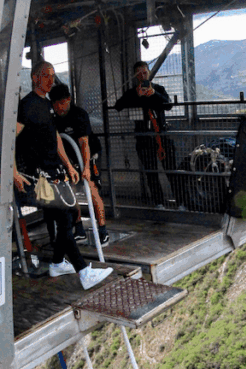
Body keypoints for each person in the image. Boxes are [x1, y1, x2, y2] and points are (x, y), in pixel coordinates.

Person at [14, 62, 113, 290]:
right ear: (35, 78)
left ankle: (58, 263)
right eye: (45, 76)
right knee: (62, 216)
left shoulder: (47, 105)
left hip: (55, 172)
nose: (50, 80)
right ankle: (84, 272)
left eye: (52, 75)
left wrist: (69, 164)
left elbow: (56, 137)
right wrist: (13, 173)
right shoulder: (26, 106)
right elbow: (9, 139)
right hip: (40, 177)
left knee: (67, 217)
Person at [113, 60, 178, 208]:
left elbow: (168, 105)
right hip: (143, 139)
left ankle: (181, 201)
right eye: (139, 73)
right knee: (151, 172)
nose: (143, 75)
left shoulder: (158, 89)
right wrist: (136, 95)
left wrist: (153, 94)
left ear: (148, 72)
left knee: (171, 170)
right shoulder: (132, 92)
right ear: (135, 76)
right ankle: (159, 202)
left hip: (161, 136)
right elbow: (118, 105)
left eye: (145, 72)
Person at [50, 83, 108, 246]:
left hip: (89, 154)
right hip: (70, 159)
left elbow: (84, 143)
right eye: (55, 104)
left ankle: (102, 230)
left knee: (91, 187)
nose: (58, 107)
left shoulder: (79, 115)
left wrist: (87, 168)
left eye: (61, 103)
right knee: (71, 191)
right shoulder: (54, 119)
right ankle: (79, 229)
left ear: (68, 100)